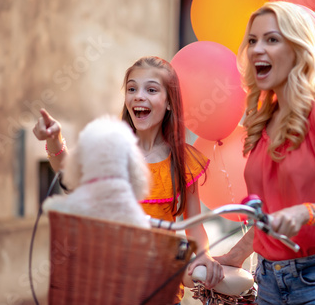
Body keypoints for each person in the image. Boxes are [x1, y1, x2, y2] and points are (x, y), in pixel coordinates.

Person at [214, 1, 315, 304]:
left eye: (272, 39)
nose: (257, 49)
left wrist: (307, 212)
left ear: (297, 49)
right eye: (252, 41)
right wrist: (234, 257)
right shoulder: (263, 119)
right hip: (268, 282)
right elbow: (269, 217)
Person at [33, 56, 223, 304]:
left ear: (169, 103)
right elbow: (71, 175)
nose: (138, 96)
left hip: (160, 289)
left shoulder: (183, 159)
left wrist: (204, 255)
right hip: (108, 284)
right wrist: (54, 139)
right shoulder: (113, 148)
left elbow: (195, 226)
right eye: (132, 88)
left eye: (151, 89)